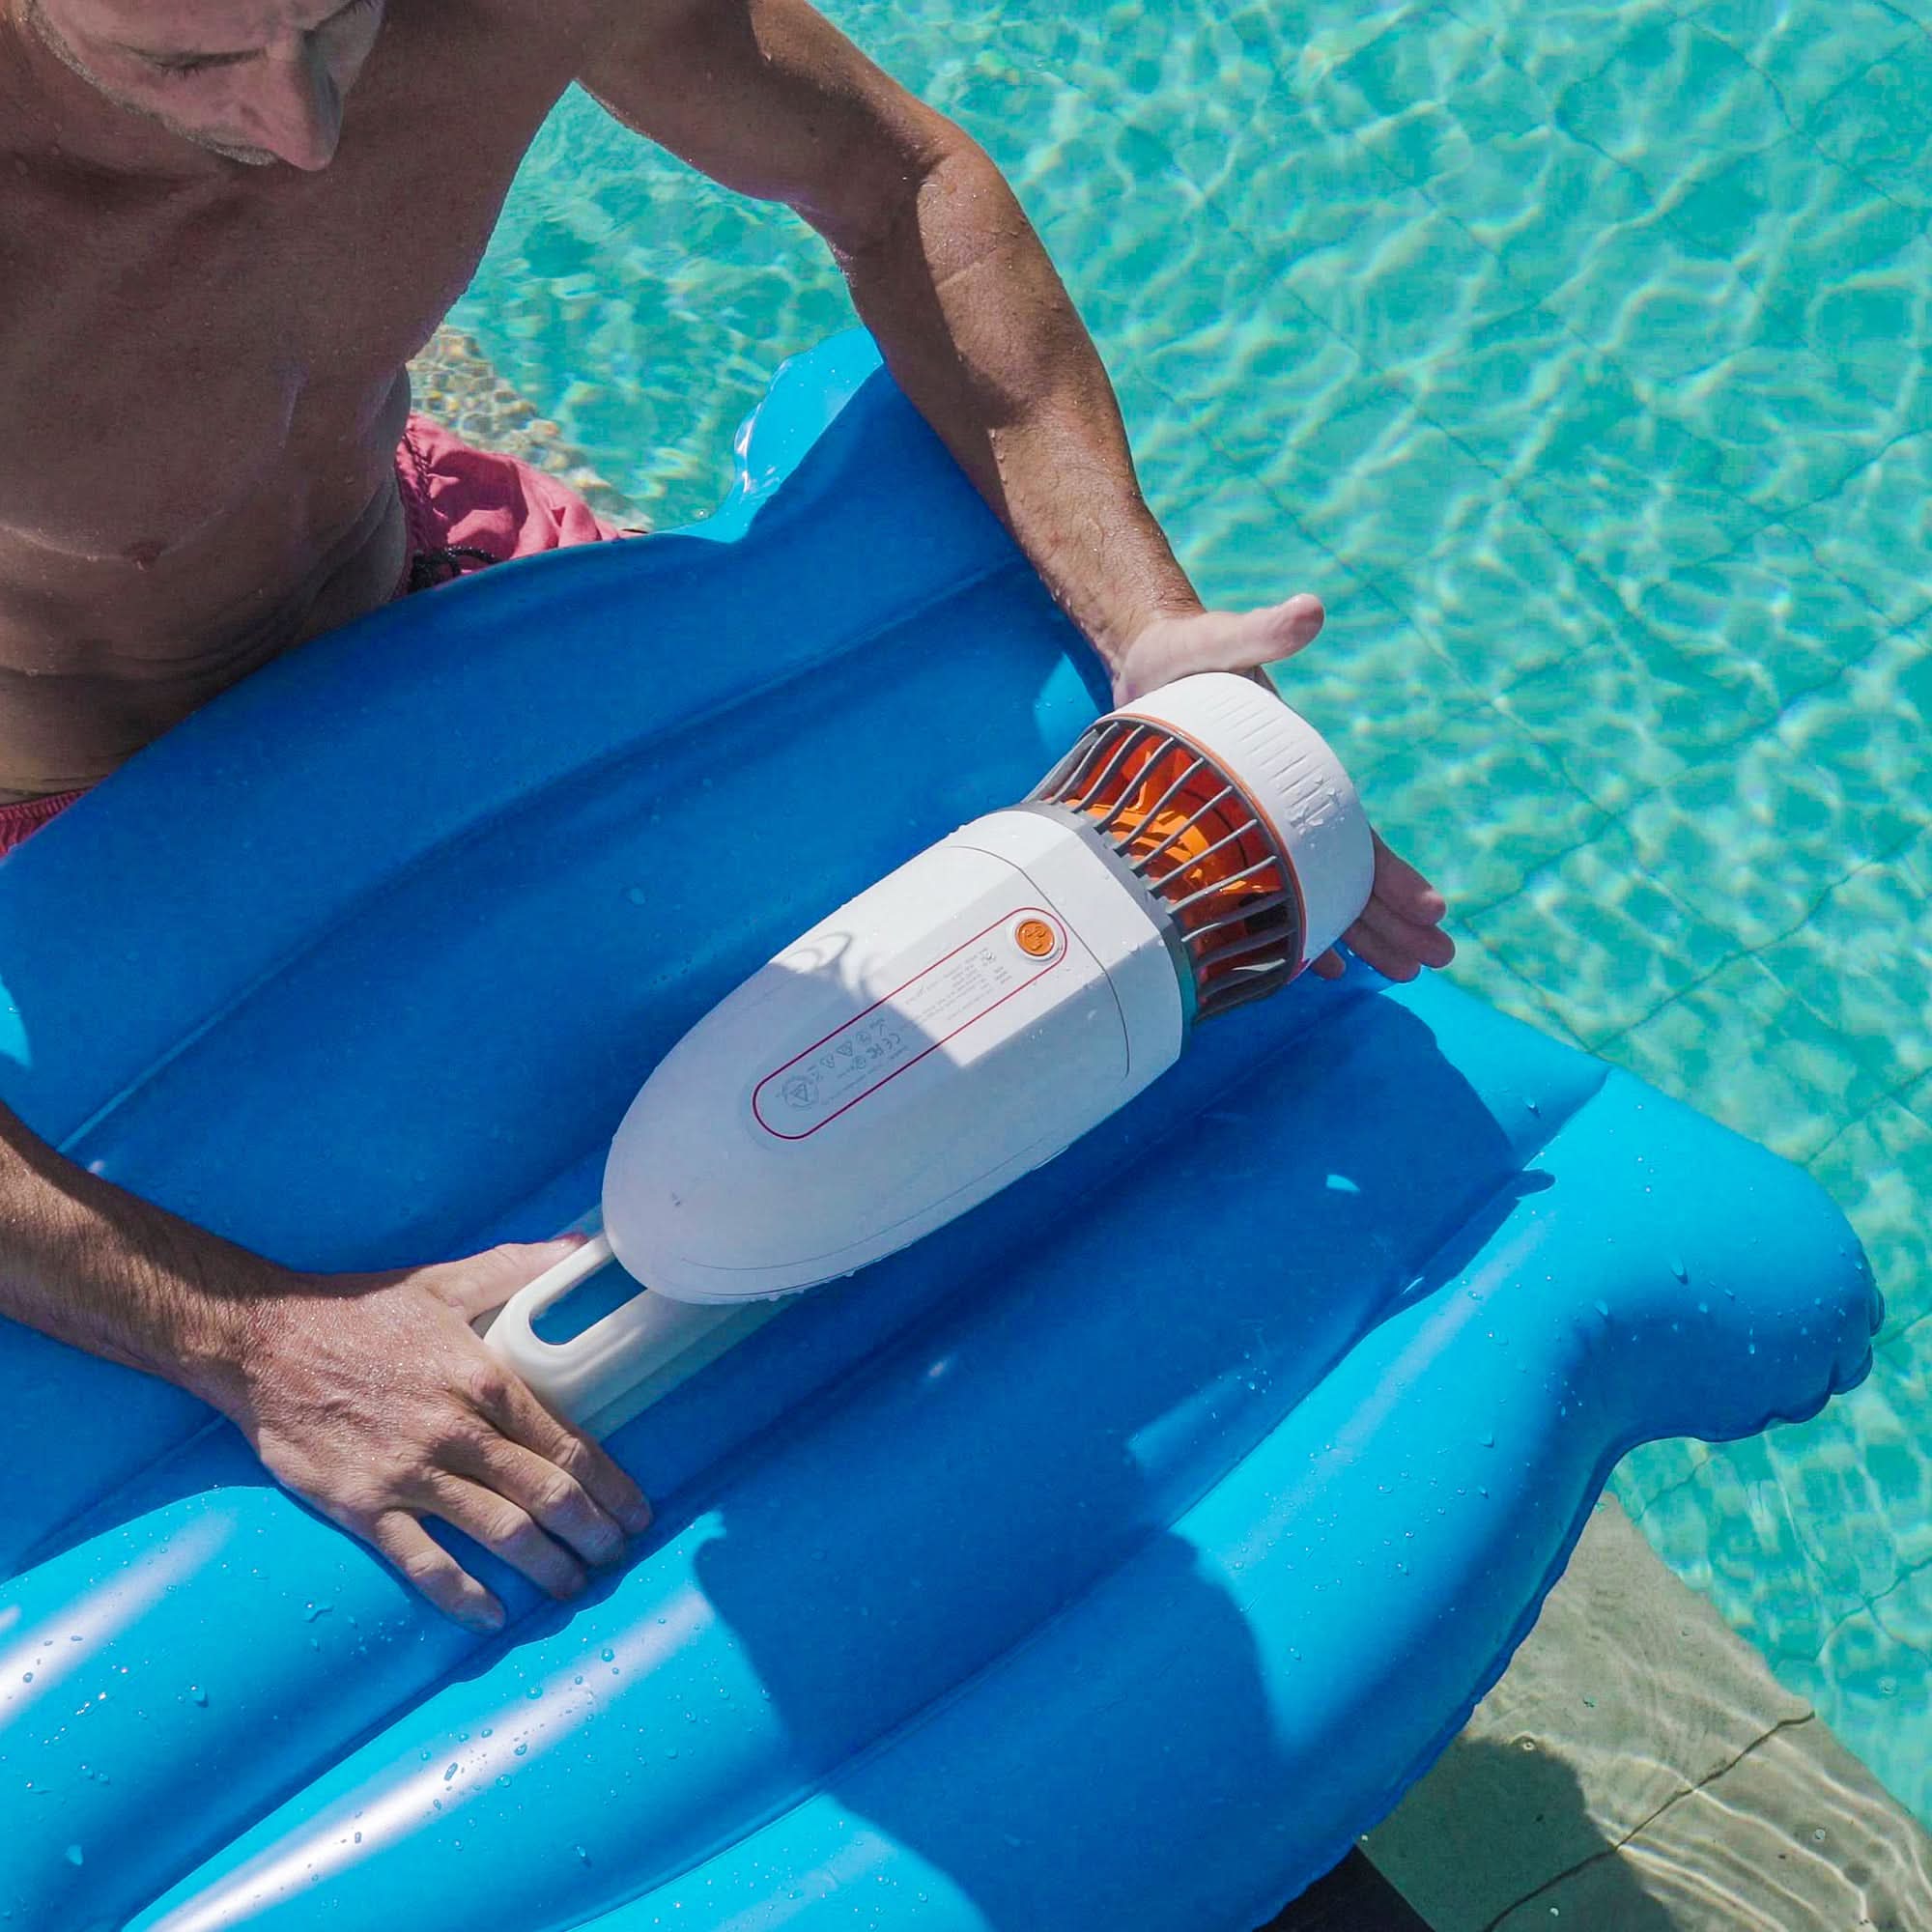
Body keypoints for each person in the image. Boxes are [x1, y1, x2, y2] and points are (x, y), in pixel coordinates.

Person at [0, 0, 1456, 1631]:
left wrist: (1146, 629)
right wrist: (256, 1341)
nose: (302, 133)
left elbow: (899, 179)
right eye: (191, 69)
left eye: (339, 26)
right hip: (76, 830)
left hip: (438, 585)